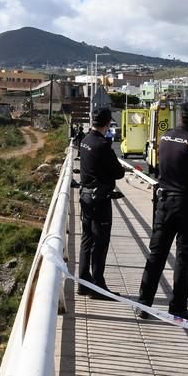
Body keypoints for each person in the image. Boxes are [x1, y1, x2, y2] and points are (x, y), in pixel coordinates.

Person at [135, 101, 188, 320]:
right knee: (183, 257)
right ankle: (178, 307)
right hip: (187, 205)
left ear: (180, 117)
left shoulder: (165, 137)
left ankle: (143, 304)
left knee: (157, 254)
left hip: (163, 202)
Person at [78, 108, 126, 300]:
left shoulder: (85, 141)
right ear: (107, 124)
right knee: (100, 243)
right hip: (100, 200)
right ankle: (98, 286)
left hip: (86, 196)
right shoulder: (102, 144)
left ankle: (83, 282)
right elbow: (118, 172)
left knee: (86, 238)